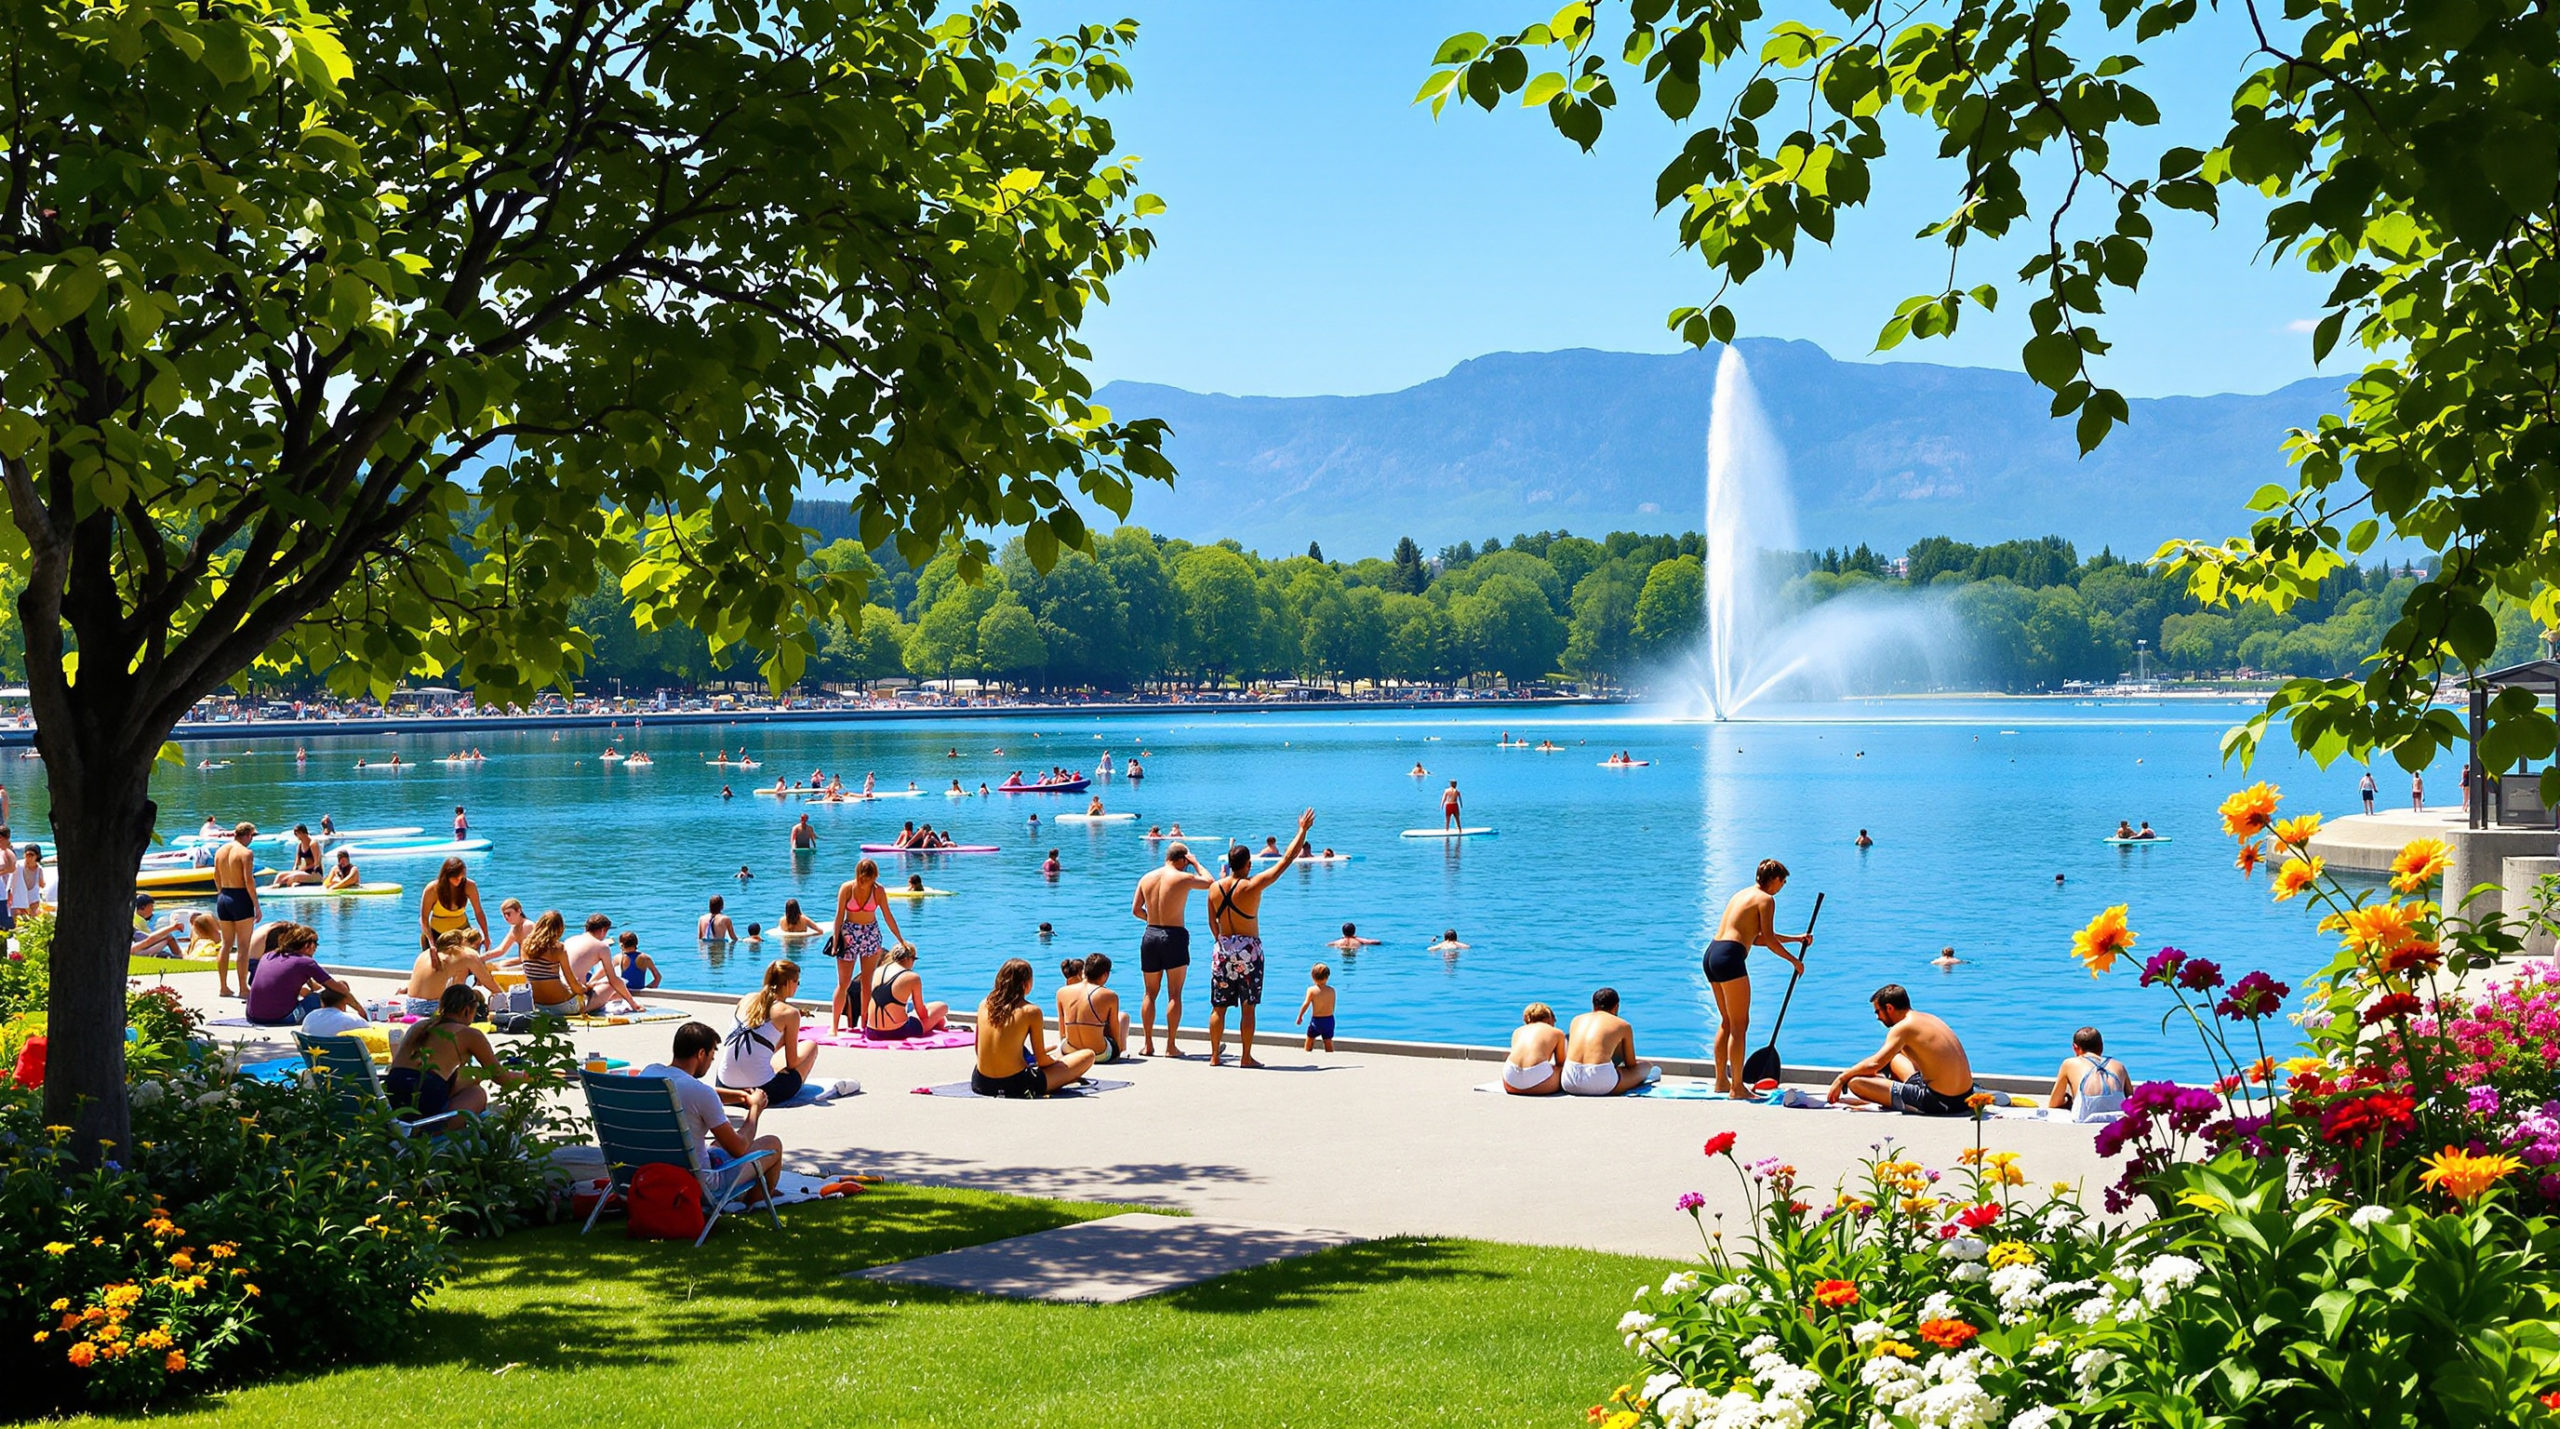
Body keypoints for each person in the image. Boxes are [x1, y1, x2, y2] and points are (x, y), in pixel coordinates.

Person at [1206, 808, 1314, 1067]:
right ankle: (1245, 1057)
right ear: (1247, 865)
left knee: (1218, 1007)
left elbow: (1212, 923)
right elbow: (1286, 860)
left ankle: (1214, 1056)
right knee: (1248, 1006)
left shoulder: (1213, 888)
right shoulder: (1252, 885)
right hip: (1249, 950)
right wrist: (1302, 830)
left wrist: (1224, 944)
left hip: (1222, 949)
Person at [1702, 859, 1812, 1096]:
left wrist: (1796, 939)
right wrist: (1794, 961)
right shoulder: (1766, 899)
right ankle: (1737, 1087)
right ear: (1774, 879)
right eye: (1782, 881)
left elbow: (1757, 937)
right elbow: (1769, 941)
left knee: (1727, 1022)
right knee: (1740, 1025)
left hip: (1712, 953)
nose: (1781, 887)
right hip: (1730, 957)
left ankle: (1721, 1081)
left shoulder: (1742, 894)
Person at [645, 1022, 783, 1199]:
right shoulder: (700, 1093)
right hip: (699, 1184)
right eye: (711, 1056)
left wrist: (739, 1096)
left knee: (719, 1143)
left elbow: (694, 1092)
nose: (711, 1062)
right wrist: (755, 1109)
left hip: (651, 1174)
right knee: (772, 1143)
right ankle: (756, 1202)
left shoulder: (650, 1073)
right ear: (701, 1053)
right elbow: (739, 1149)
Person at [1827, 984, 1977, 1115]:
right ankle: (1892, 1092)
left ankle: (1893, 1098)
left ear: (1889, 1008)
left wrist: (1842, 1078)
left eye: (1878, 1012)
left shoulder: (1902, 1027)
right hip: (1966, 1097)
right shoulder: (1927, 1018)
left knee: (1856, 1083)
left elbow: (1875, 1064)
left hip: (1940, 1102)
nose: (1878, 1018)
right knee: (1895, 1057)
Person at [1129, 841, 1215, 1058]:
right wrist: (1196, 863)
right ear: (1181, 860)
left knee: (1149, 993)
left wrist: (1152, 920)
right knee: (1174, 994)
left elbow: (1136, 910)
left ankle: (1147, 1044)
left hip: (1150, 935)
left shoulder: (1146, 878)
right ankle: (1171, 1045)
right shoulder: (1182, 877)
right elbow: (1210, 882)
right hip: (1174, 936)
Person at [385, 985, 524, 1117]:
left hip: (394, 1091)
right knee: (477, 1094)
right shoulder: (469, 1034)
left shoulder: (419, 1026)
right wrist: (527, 1076)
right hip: (425, 1093)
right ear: (466, 1011)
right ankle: (435, 1133)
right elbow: (501, 1078)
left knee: (473, 1075)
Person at [970, 959, 1094, 1097]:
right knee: (1088, 1055)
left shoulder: (983, 1005)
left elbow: (978, 1049)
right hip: (1017, 1085)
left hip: (981, 1083)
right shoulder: (1031, 1011)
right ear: (1026, 984)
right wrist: (1055, 1061)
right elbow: (1042, 1061)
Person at [719, 960, 821, 1107]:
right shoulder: (789, 1013)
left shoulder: (747, 998)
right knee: (810, 1046)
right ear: (787, 983)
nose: (797, 986)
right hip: (763, 1092)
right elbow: (792, 1063)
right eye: (797, 982)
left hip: (725, 1087)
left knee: (762, 1049)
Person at [830, 858, 911, 1035]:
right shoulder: (846, 888)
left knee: (867, 982)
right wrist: (836, 941)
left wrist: (900, 939)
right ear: (858, 875)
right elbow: (838, 917)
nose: (866, 882)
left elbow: (888, 916)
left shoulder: (878, 891)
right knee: (843, 983)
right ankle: (834, 1026)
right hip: (849, 934)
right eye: (863, 878)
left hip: (871, 934)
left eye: (870, 878)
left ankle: (865, 1024)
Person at [242, 922, 344, 1025]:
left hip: (252, 1016)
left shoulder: (268, 956)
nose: (316, 948)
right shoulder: (305, 962)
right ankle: (340, 1019)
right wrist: (358, 1007)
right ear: (308, 945)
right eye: (315, 943)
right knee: (318, 997)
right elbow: (337, 988)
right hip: (281, 1019)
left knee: (305, 993)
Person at [1562, 988, 1657, 1095]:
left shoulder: (1576, 1020)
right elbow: (1631, 1064)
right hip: (1600, 1084)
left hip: (1569, 1081)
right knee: (1646, 1066)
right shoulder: (1622, 1025)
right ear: (1616, 1006)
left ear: (1594, 1005)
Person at [212, 822, 260, 998]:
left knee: (226, 944)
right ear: (246, 835)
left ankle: (223, 987)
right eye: (252, 837)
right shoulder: (246, 853)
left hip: (223, 896)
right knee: (243, 946)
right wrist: (256, 905)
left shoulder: (220, 851)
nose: (252, 840)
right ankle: (243, 988)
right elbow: (248, 880)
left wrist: (221, 894)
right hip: (240, 897)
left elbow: (216, 876)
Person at [403, 928, 496, 1018]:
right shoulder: (466, 955)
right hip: (433, 1008)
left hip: (411, 1005)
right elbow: (489, 983)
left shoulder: (425, 954)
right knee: (475, 998)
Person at [1057, 952, 1129, 1064]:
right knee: (1123, 1017)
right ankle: (1123, 1050)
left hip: (1069, 1051)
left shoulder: (1061, 992)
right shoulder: (1109, 995)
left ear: (1084, 972)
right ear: (1105, 975)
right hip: (1098, 1054)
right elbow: (1114, 1029)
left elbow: (1062, 1031)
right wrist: (1117, 1051)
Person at [864, 947, 948, 1039]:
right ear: (908, 959)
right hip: (898, 1032)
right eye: (914, 959)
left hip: (871, 1032)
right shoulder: (912, 977)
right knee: (942, 1007)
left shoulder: (879, 971)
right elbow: (922, 1014)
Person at [2046, 1027, 2130, 1118]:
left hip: (2085, 1116)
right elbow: (2131, 1098)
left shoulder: (2069, 1063)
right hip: (2117, 1114)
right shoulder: (2119, 1065)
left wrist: (2069, 1102)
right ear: (2101, 1046)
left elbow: (2054, 1103)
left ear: (2075, 1047)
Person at [563, 913, 638, 1010]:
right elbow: (613, 980)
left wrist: (592, 982)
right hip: (573, 1005)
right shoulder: (602, 947)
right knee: (613, 985)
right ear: (603, 930)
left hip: (557, 997)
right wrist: (633, 1003)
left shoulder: (569, 940)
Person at [417, 856, 488, 953]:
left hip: (462, 933)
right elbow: (424, 918)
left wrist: (486, 936)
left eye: (461, 876)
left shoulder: (469, 886)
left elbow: (479, 912)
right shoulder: (432, 889)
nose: (459, 880)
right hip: (438, 933)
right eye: (455, 877)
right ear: (446, 875)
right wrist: (431, 943)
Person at [1501, 1003, 1566, 1095]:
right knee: (1561, 1070)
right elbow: (1561, 1063)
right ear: (1548, 1019)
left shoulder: (1517, 1031)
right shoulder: (1557, 1033)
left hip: (1510, 1080)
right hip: (1538, 1082)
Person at [299, 986, 371, 1038]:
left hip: (315, 1056)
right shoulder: (353, 1020)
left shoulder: (310, 1017)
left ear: (322, 1002)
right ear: (344, 1001)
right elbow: (370, 1034)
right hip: (343, 1056)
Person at [128, 893, 183, 959]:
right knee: (169, 937)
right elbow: (149, 939)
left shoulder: (133, 918)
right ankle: (181, 956)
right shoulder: (140, 921)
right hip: (138, 950)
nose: (153, 909)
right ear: (143, 907)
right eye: (151, 906)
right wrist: (172, 927)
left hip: (138, 947)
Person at [1297, 963, 1336, 1052]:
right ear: (1327, 977)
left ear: (1313, 977)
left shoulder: (1311, 990)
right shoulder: (1332, 990)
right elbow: (1332, 1005)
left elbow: (1306, 1004)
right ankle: (1330, 1055)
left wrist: (1300, 1016)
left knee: (1310, 1038)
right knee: (1328, 1040)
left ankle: (1307, 1052)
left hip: (1317, 1020)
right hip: (1329, 1019)